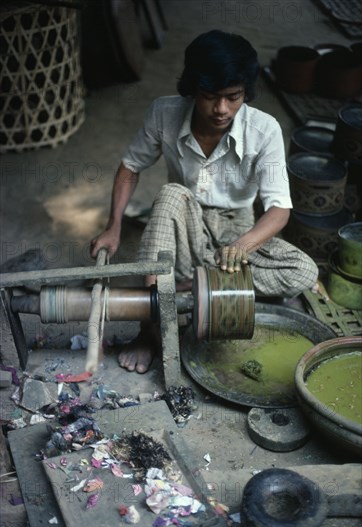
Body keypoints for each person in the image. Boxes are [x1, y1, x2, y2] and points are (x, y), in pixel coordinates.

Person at [91, 29, 319, 374]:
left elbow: (279, 209)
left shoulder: (265, 130)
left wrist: (242, 245)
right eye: (210, 96)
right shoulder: (164, 113)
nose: (221, 109)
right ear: (192, 89)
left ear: (246, 93)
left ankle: (193, 283)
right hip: (186, 218)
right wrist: (113, 227)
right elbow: (130, 166)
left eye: (233, 97)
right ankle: (150, 328)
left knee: (304, 271)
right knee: (170, 194)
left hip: (236, 227)